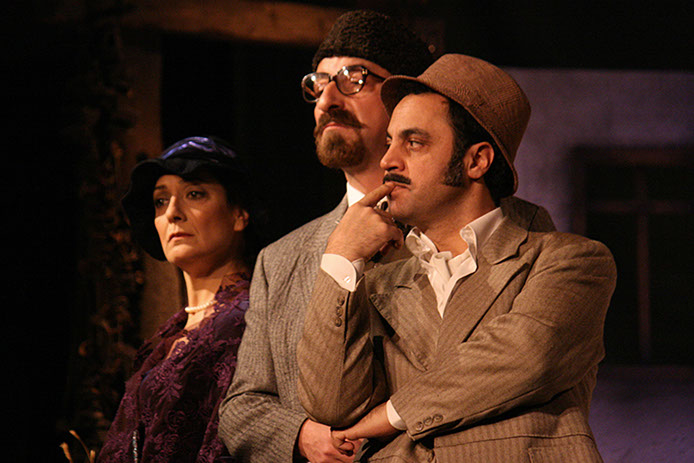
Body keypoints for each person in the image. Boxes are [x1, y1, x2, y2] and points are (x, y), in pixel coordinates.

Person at [296, 54, 617, 462]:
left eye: (413, 143)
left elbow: (522, 357)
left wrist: (391, 415)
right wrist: (340, 257)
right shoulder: (378, 281)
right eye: (390, 141)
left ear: (476, 160)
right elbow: (331, 405)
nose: (387, 160)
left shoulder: (568, 262)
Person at [217, 10, 434, 463]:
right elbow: (240, 407)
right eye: (318, 83)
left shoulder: (455, 229)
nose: (327, 99)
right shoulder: (280, 260)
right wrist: (300, 436)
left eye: (355, 78)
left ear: (405, 99)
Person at [98, 136, 264, 462]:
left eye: (194, 194)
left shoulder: (249, 319)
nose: (172, 212)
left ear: (239, 214)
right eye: (160, 201)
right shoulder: (171, 334)